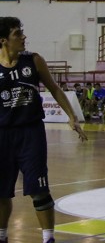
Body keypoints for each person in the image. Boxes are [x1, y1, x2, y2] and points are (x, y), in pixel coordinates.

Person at [0, 17, 87, 243]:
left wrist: (72, 116)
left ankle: (48, 238)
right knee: (1, 192)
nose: (23, 37)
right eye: (17, 34)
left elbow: (55, 89)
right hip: (2, 135)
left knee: (39, 189)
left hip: (31, 133)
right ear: (3, 41)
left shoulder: (34, 60)